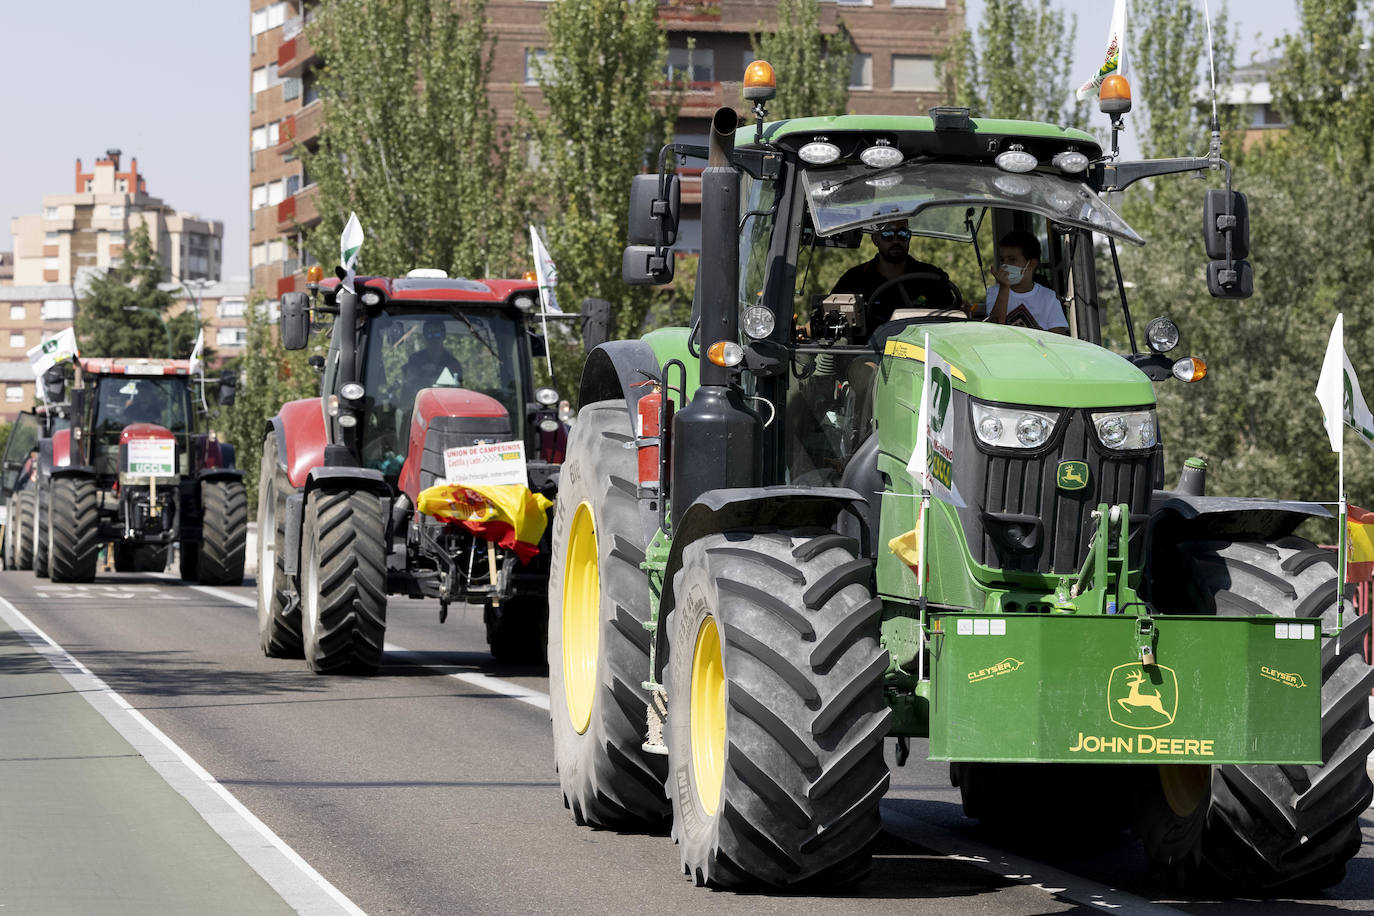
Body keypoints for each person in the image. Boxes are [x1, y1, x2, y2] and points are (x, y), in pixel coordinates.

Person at [830, 220, 958, 335]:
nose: (896, 241)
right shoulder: (854, 279)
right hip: (870, 355)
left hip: (922, 355)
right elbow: (829, 317)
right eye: (887, 235)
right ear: (875, 239)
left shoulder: (932, 277)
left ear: (909, 237)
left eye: (903, 234)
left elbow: (952, 315)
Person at [981, 230, 1068, 334]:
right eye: (1002, 260)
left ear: (1031, 264)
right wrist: (1004, 288)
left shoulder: (1048, 297)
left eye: (1012, 260)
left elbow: (1058, 337)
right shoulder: (994, 292)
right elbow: (995, 329)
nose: (1005, 265)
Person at [404, 318, 464, 392]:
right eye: (429, 335)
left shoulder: (453, 364)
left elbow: (458, 392)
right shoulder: (415, 360)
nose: (433, 339)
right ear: (424, 337)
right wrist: (422, 372)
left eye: (437, 334)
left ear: (444, 336)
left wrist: (439, 370)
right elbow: (408, 385)